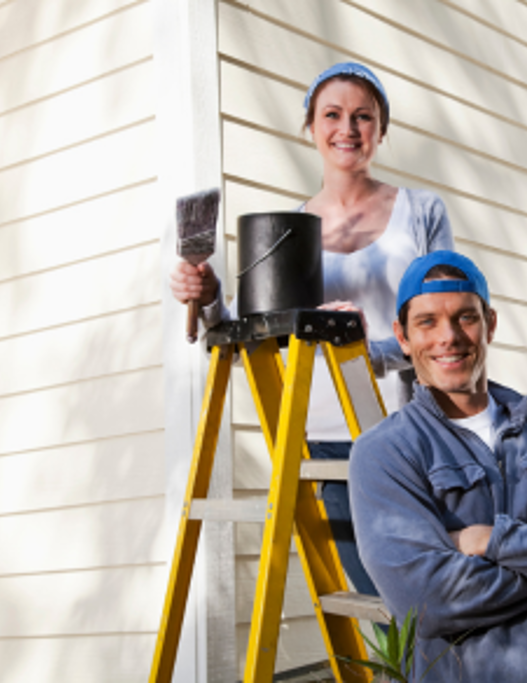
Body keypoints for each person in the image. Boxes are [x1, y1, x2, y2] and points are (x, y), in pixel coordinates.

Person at [169, 62, 454, 597]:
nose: (347, 128)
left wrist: (366, 351)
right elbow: (251, 329)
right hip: (326, 436)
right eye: (333, 115)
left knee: (428, 588)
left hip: (409, 429)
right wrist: (208, 300)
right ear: (310, 127)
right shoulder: (288, 230)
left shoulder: (420, 211)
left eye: (363, 117)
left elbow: (444, 327)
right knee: (373, 595)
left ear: (381, 130)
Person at [349, 251, 527, 682]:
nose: (448, 337)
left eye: (465, 318)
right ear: (402, 337)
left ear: (490, 323)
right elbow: (427, 602)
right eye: (427, 322)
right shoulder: (386, 452)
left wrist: (492, 540)